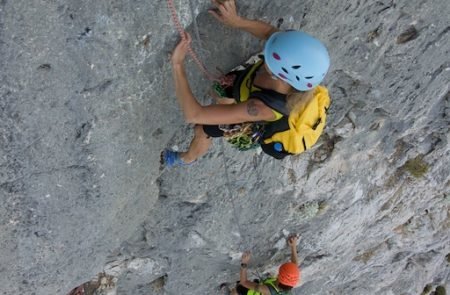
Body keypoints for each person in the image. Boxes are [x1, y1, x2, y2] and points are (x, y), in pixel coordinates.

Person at [162, 0, 330, 166]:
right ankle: (227, 103)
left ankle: (186, 158)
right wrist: (237, 21)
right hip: (245, 87)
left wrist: (177, 64)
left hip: (251, 126)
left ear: (277, 74)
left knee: (201, 129)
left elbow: (193, 115)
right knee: (220, 93)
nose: (266, 50)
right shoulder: (290, 70)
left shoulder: (260, 109)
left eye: (269, 56)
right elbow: (270, 33)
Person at [221, 234, 301, 295]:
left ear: (279, 277)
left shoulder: (267, 290)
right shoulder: (289, 283)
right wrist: (293, 247)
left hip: (261, 291)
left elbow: (244, 282)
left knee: (239, 288)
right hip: (269, 286)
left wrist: (244, 263)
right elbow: (295, 266)